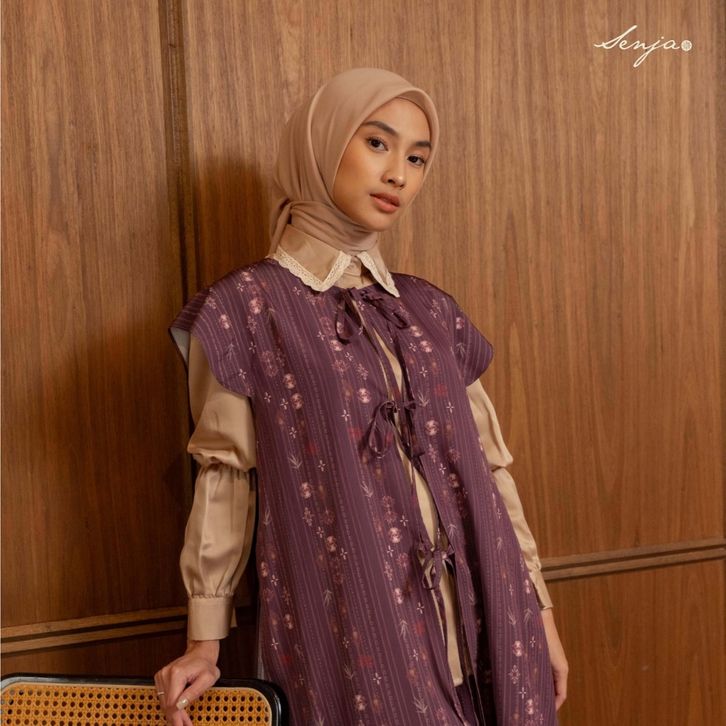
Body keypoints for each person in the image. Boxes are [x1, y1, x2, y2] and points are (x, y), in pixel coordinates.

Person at [155, 67, 568, 725]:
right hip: (355, 627)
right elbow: (226, 476)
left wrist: (539, 612)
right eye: (377, 143)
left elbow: (492, 472)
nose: (398, 174)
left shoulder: (431, 310)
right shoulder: (244, 310)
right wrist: (205, 641)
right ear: (320, 145)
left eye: (417, 158)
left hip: (491, 616)